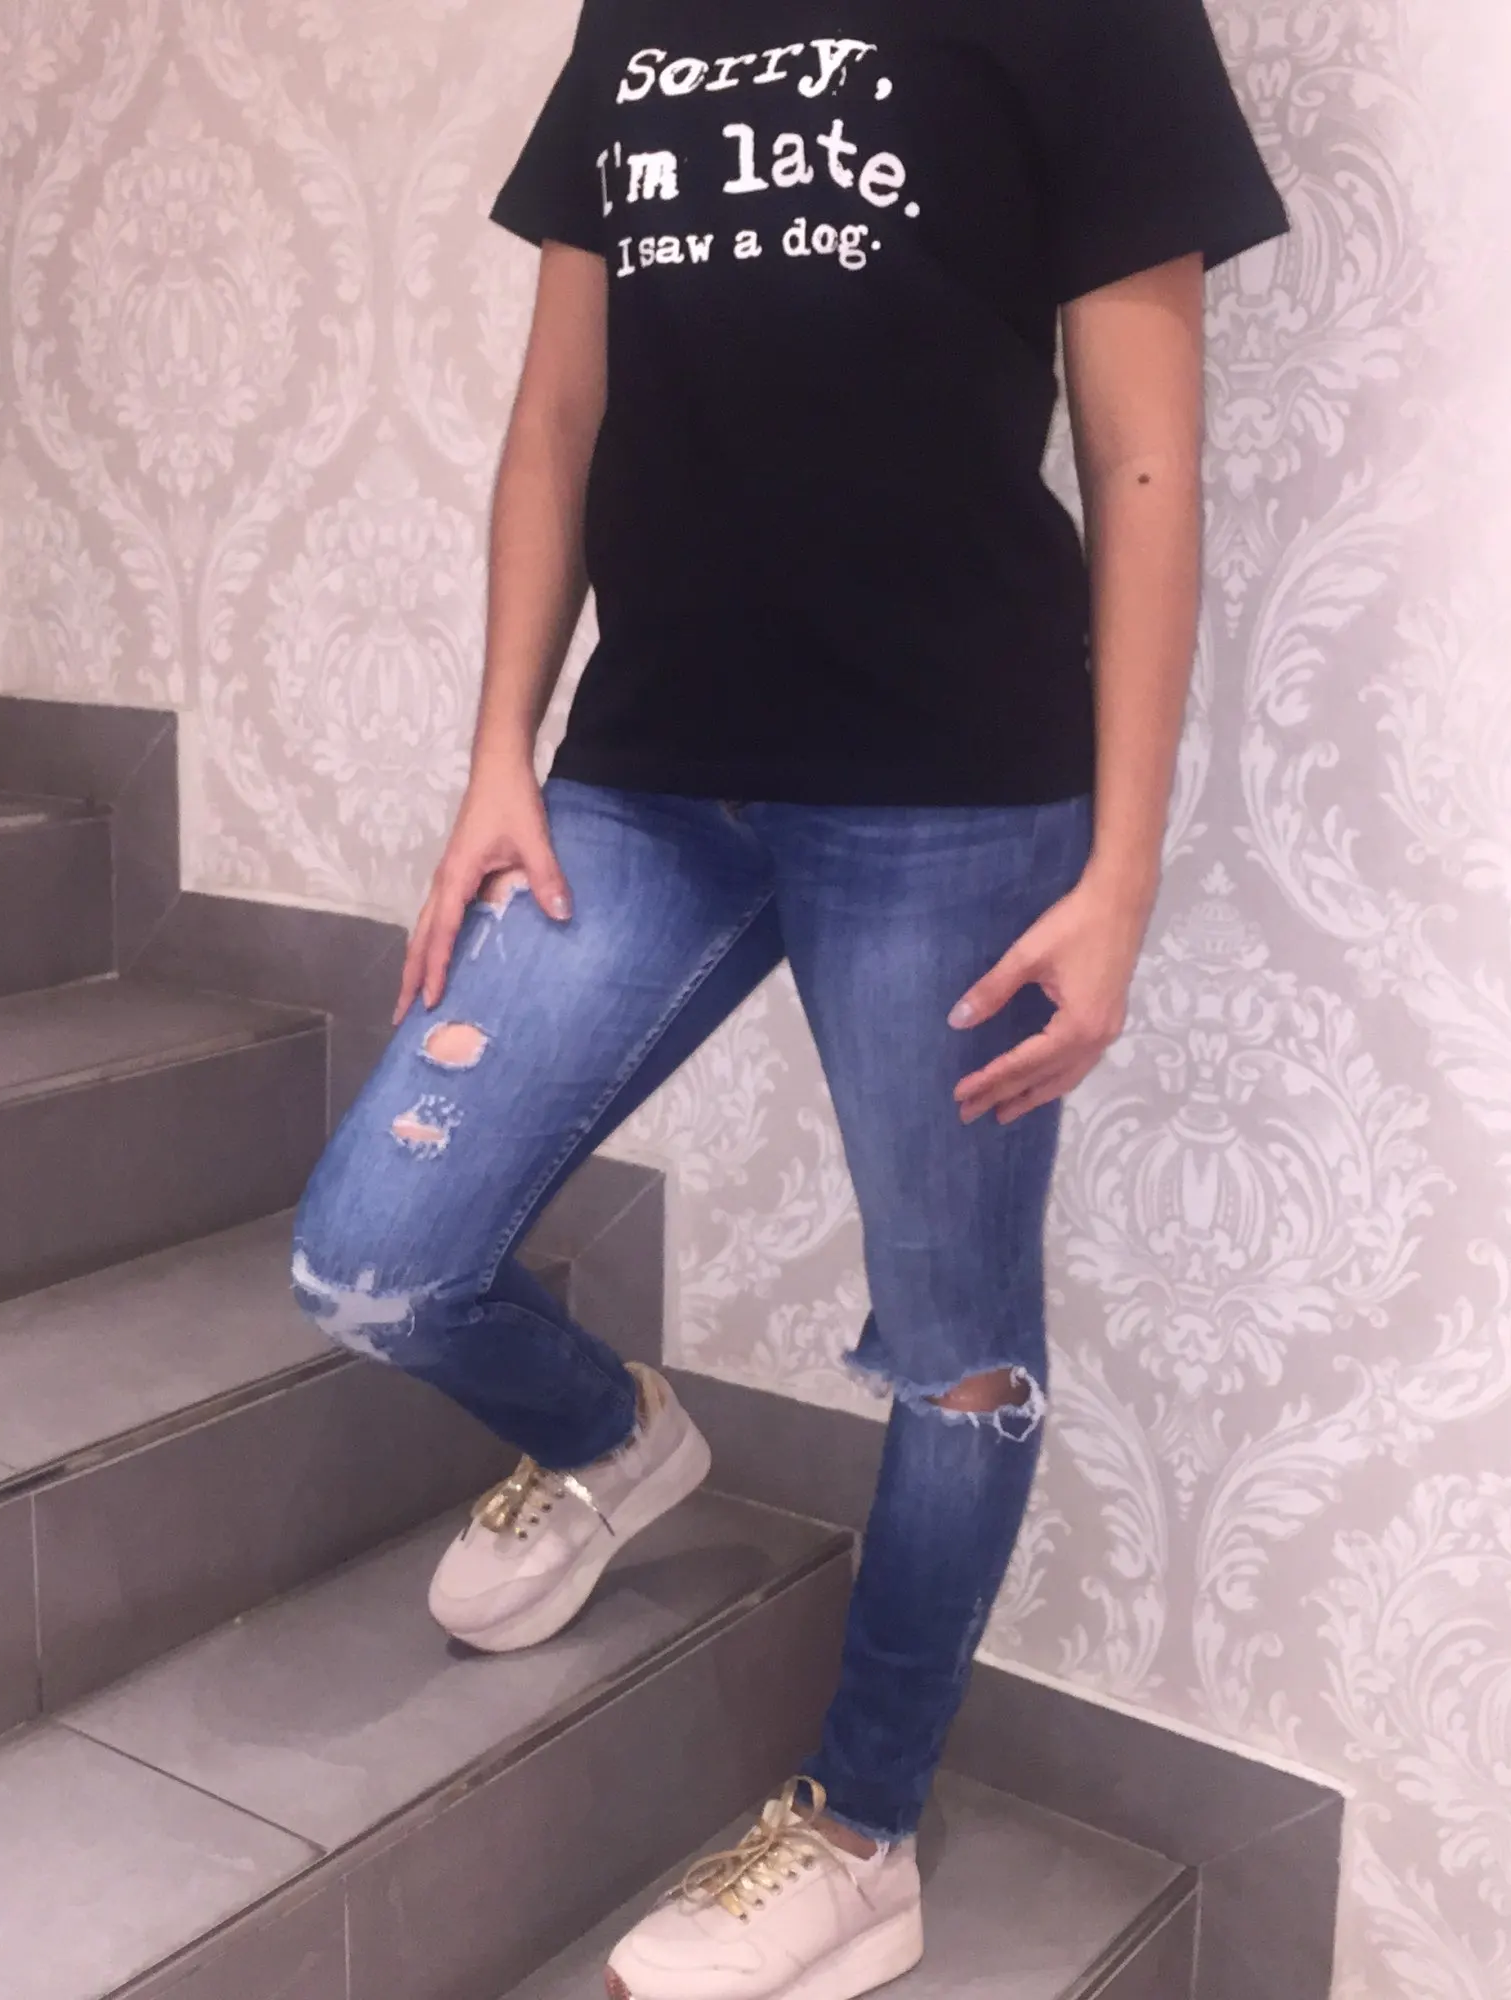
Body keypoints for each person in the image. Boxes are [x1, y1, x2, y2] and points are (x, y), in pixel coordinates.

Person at [290, 0, 1286, 1990]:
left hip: (954, 800)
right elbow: (558, 413)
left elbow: (1144, 459)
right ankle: (609, 1437)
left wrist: (1121, 870)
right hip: (646, 775)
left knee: (955, 1354)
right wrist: (497, 754)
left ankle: (858, 1833)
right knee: (373, 1255)